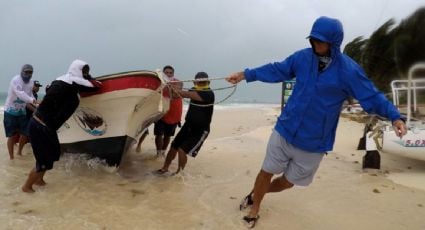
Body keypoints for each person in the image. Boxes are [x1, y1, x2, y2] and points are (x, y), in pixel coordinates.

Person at [226, 16, 407, 228]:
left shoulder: (348, 71)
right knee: (266, 170)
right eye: (313, 39)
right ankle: (255, 207)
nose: (316, 44)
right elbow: (277, 69)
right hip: (286, 129)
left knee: (287, 183)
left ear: (334, 42)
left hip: (314, 142)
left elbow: (371, 95)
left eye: (321, 40)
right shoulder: (302, 58)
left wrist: (395, 116)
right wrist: (246, 75)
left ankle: (256, 194)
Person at [22, 59, 101, 193]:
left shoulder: (62, 80)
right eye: (84, 71)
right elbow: (96, 85)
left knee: (52, 154)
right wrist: (89, 78)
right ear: (78, 70)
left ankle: (40, 181)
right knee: (43, 160)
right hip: (40, 126)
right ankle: (27, 187)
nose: (86, 74)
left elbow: (48, 88)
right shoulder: (72, 82)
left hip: (46, 126)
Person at [156, 71, 215, 174]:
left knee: (182, 150)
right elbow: (175, 96)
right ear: (195, 82)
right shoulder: (193, 89)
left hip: (200, 130)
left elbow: (185, 94)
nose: (201, 84)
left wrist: (175, 85)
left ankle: (179, 174)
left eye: (203, 82)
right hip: (188, 126)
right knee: (174, 146)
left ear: (208, 82)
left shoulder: (209, 94)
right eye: (199, 82)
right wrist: (170, 87)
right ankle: (165, 168)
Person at [136, 65, 183, 156]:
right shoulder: (158, 82)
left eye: (170, 73)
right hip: (161, 111)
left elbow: (175, 94)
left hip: (174, 113)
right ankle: (158, 153)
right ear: (163, 73)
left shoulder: (179, 82)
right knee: (159, 134)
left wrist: (167, 85)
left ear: (173, 73)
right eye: (166, 73)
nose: (169, 74)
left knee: (168, 135)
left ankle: (163, 152)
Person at [3, 64, 37, 160]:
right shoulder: (16, 80)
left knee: (25, 133)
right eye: (26, 72)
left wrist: (36, 103)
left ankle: (19, 152)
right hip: (10, 112)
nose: (28, 74)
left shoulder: (31, 83)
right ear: (22, 71)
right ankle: (11, 157)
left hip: (22, 112)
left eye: (30, 72)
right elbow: (20, 94)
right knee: (12, 135)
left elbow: (30, 95)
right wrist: (32, 100)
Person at [15, 80, 44, 155]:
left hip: (29, 115)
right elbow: (27, 104)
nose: (38, 88)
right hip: (24, 114)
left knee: (28, 132)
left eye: (38, 86)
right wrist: (35, 110)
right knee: (24, 133)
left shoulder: (35, 95)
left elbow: (34, 103)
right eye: (36, 86)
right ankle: (19, 152)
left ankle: (21, 147)